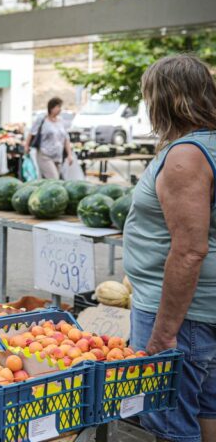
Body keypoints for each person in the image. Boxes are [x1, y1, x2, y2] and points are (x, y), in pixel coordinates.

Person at [124, 54, 216, 442]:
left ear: (165, 99)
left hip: (182, 314)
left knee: (171, 424)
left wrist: (163, 333)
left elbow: (190, 250)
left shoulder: (186, 157)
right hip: (202, 310)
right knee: (207, 412)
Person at [24, 97, 72, 179]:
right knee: (54, 178)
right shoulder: (42, 120)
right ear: (51, 108)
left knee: (49, 181)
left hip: (58, 156)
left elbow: (66, 139)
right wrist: (26, 146)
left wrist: (69, 155)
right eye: (58, 107)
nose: (60, 109)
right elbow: (31, 133)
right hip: (44, 154)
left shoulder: (61, 121)